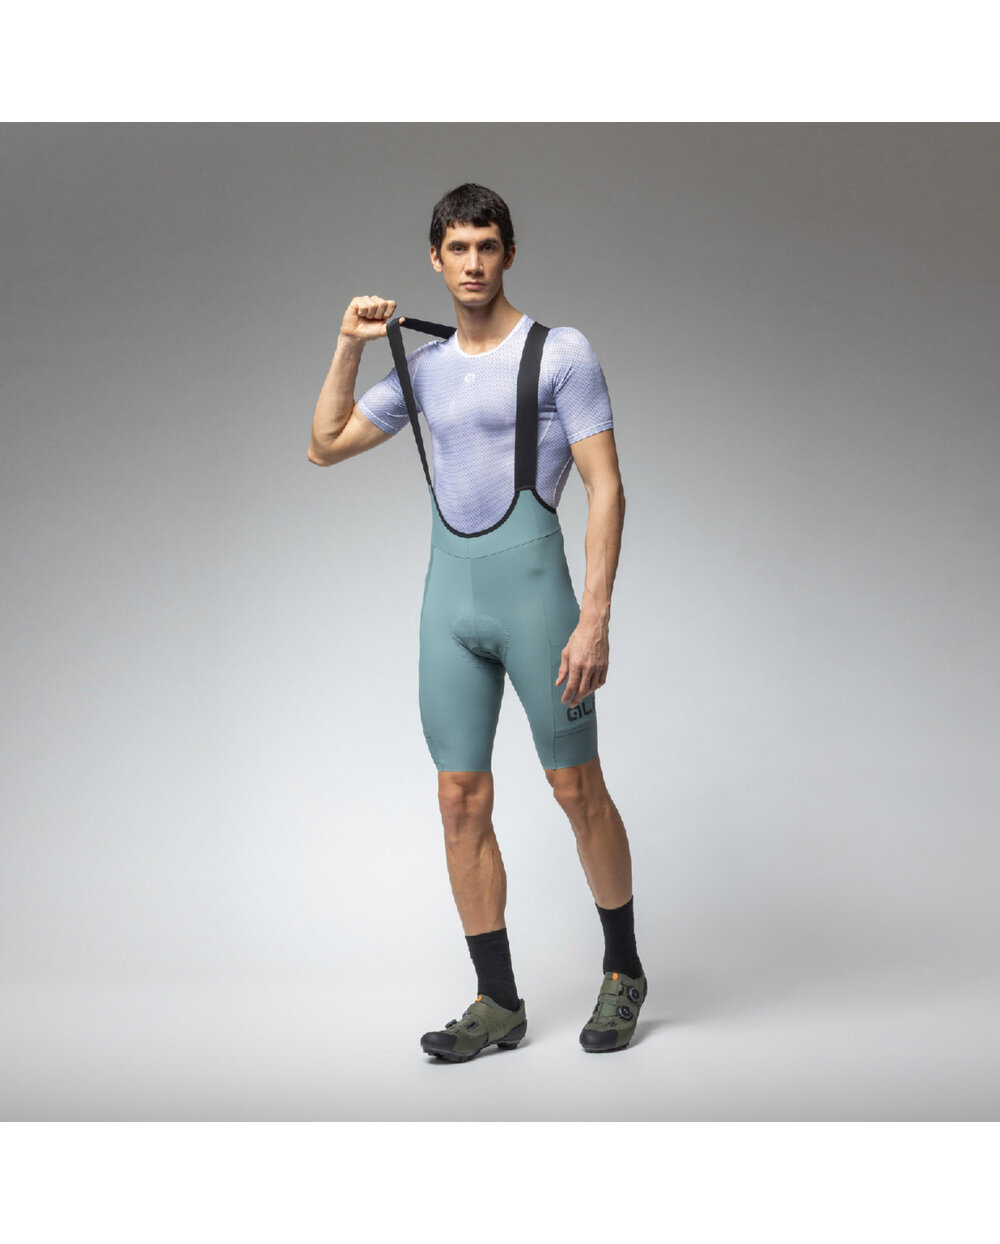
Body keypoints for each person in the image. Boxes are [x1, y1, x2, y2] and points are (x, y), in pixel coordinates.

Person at [307, 184, 646, 1060]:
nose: (472, 263)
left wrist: (595, 619)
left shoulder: (560, 352)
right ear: (436, 258)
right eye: (457, 248)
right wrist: (349, 344)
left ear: (508, 254)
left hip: (539, 605)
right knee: (459, 799)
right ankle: (497, 1000)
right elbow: (325, 444)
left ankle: (623, 970)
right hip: (448, 608)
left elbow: (606, 487)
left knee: (576, 790)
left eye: (487, 246)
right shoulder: (423, 367)